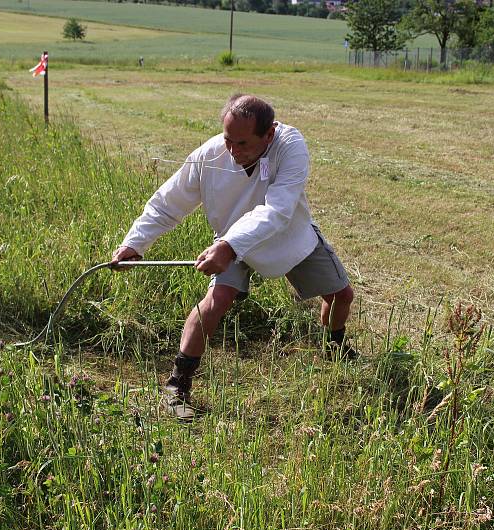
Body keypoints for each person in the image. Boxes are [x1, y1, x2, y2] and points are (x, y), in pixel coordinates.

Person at [112, 94, 355, 419]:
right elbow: (167, 203)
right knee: (216, 300)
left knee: (341, 295)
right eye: (228, 140)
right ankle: (177, 384)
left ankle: (334, 347)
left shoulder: (290, 145)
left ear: (268, 134)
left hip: (287, 234)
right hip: (231, 239)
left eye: (242, 143)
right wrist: (135, 243)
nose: (232, 151)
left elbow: (279, 209)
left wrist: (228, 245)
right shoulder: (209, 155)